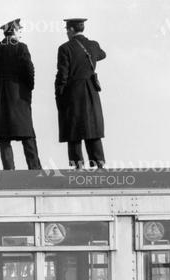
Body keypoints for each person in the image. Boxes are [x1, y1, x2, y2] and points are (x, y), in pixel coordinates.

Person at [0, 18, 41, 170]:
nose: (21, 34)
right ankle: (35, 171)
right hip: (19, 97)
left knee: (4, 137)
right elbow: (29, 70)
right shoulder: (21, 48)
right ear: (13, 31)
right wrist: (28, 88)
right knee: (27, 134)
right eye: (20, 31)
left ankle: (9, 173)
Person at [55, 18, 107, 169]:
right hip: (91, 89)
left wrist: (59, 92)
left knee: (74, 129)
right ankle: (99, 164)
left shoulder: (65, 48)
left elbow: (62, 74)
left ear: (71, 30)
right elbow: (102, 55)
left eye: (67, 30)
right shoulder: (93, 45)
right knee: (92, 127)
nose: (66, 33)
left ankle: (78, 166)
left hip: (73, 91)